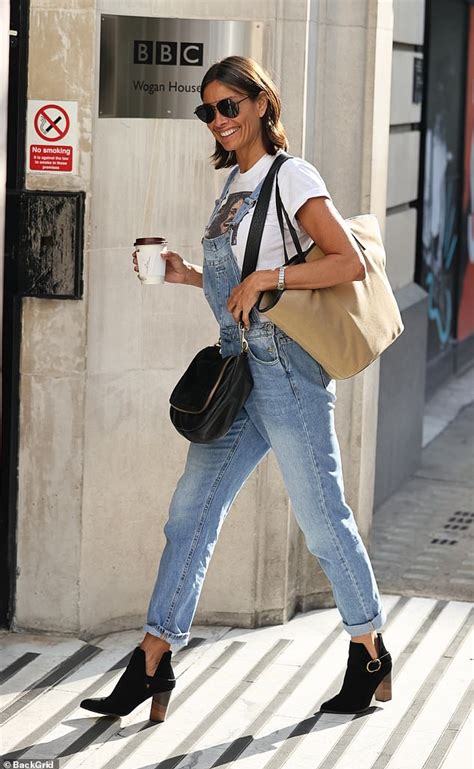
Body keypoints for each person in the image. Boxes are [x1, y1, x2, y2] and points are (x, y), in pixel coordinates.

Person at [80, 55, 392, 723]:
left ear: (259, 104)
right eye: (209, 110)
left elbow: (348, 259)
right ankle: (153, 662)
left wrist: (271, 279)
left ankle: (369, 652)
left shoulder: (290, 175)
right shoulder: (234, 187)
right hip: (239, 369)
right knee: (189, 515)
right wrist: (184, 273)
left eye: (229, 106)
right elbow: (239, 281)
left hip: (286, 370)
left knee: (321, 518)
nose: (218, 120)